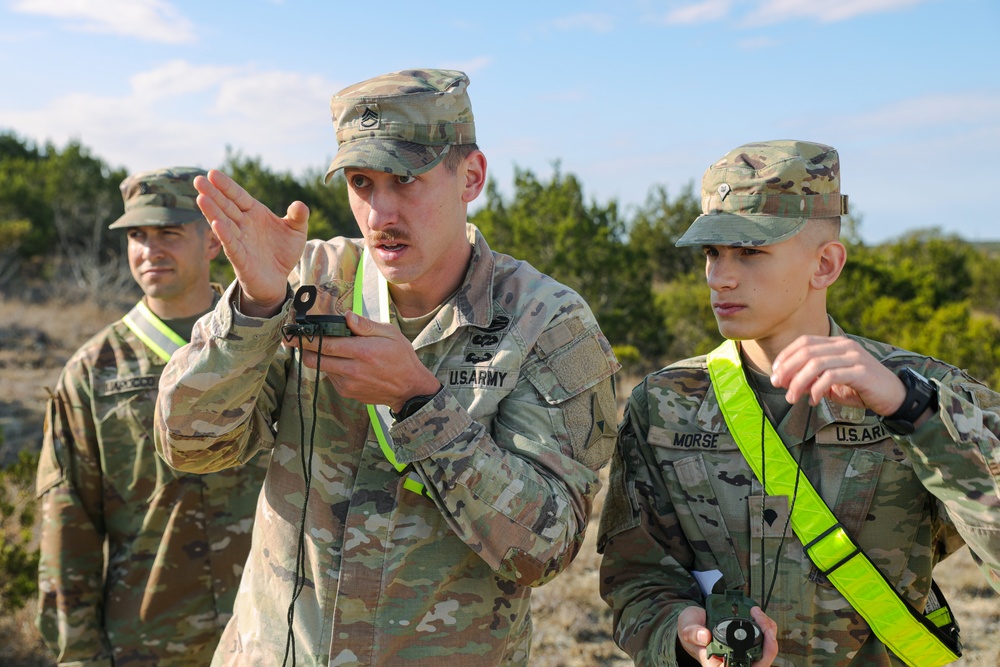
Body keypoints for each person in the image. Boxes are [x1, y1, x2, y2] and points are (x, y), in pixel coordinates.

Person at [153, 68, 619, 667]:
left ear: (470, 176)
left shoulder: (546, 321)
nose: (379, 213)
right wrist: (255, 309)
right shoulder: (304, 280)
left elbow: (545, 549)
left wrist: (420, 403)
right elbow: (189, 444)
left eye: (405, 179)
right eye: (362, 182)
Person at [597, 140, 1000, 666]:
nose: (720, 276)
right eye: (712, 253)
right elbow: (637, 579)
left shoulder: (926, 392)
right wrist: (678, 633)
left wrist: (916, 415)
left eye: (749, 252)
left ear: (826, 264)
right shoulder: (665, 404)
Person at [35, 167, 268, 667]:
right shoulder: (93, 372)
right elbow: (67, 520)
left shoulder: (268, 342)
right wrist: (77, 653)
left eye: (169, 232)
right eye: (137, 235)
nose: (149, 249)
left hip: (268, 632)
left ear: (211, 242)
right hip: (152, 640)